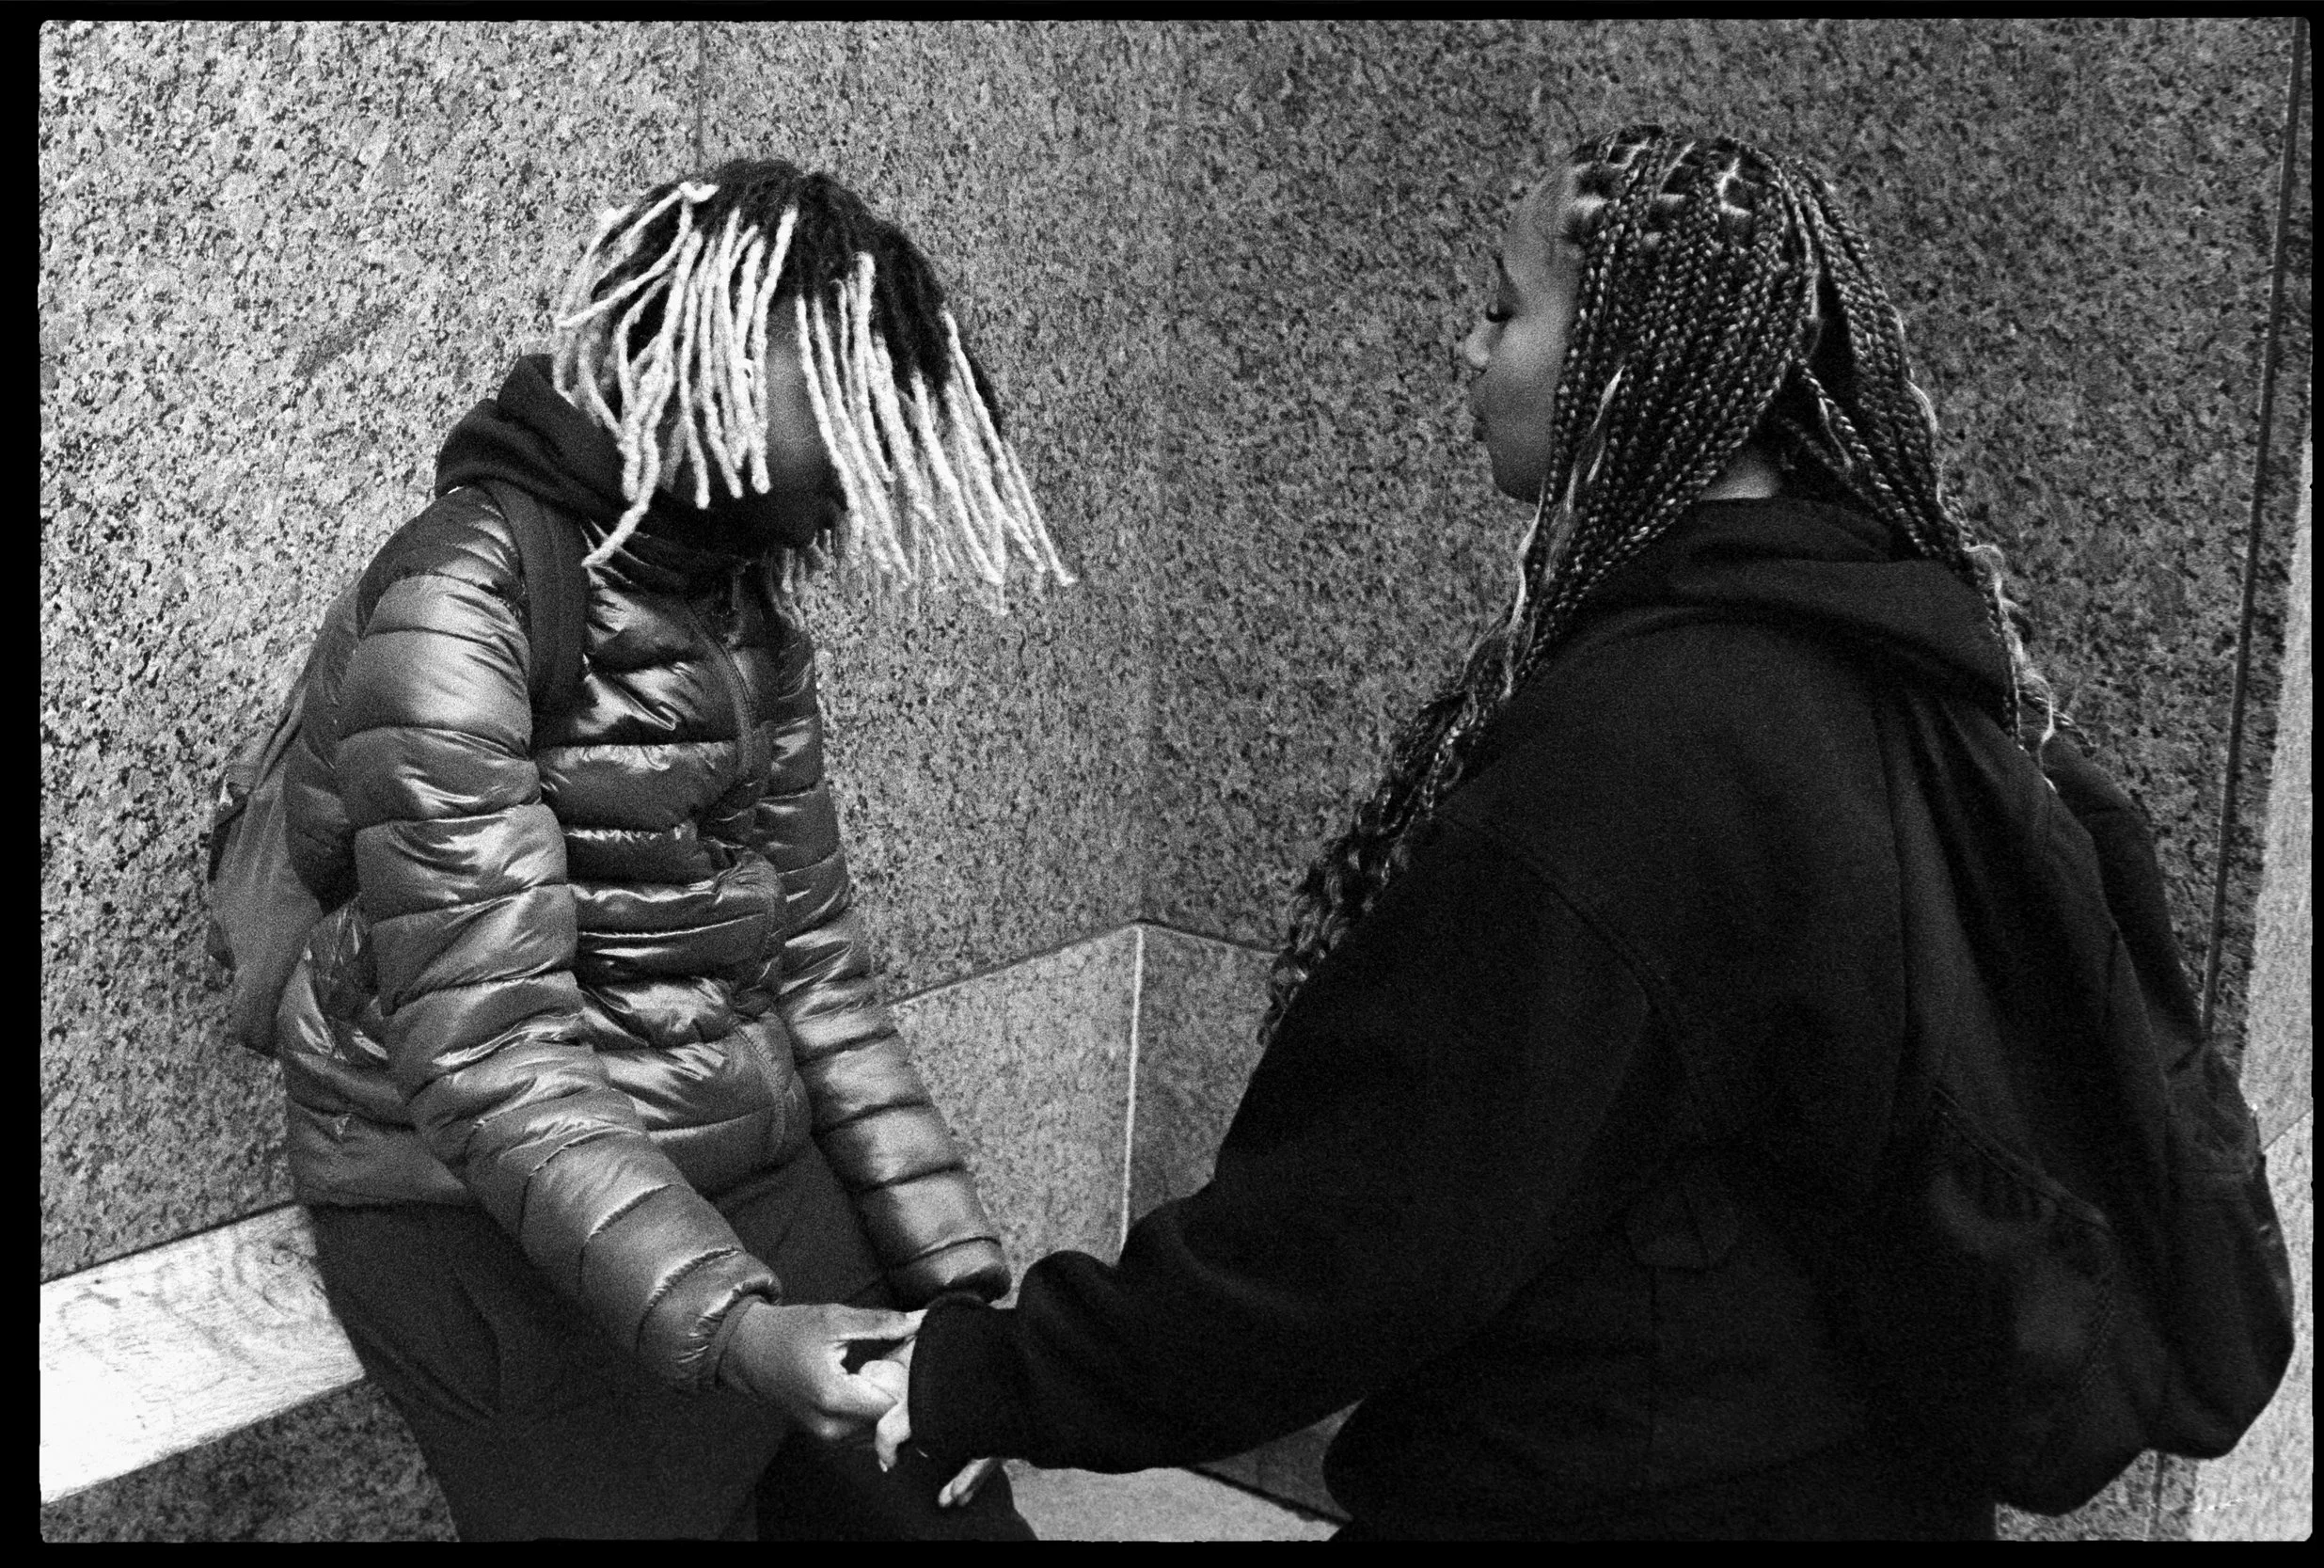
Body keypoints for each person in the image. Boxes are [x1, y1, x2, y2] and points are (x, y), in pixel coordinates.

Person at [872, 124, 2183, 1539]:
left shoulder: (1644, 751)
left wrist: (982, 1378)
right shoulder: (1892, 656)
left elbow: (1359, 1231)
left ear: (1630, 359)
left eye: (1504, 307)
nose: (1467, 344)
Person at [274, 157, 1068, 1540]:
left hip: (738, 1163)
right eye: (841, 392)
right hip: (475, 1213)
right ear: (709, 350)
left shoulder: (741, 610)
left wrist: (959, 1289)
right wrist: (744, 1329)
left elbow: (816, 968)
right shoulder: (462, 595)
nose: (872, 463)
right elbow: (486, 1054)